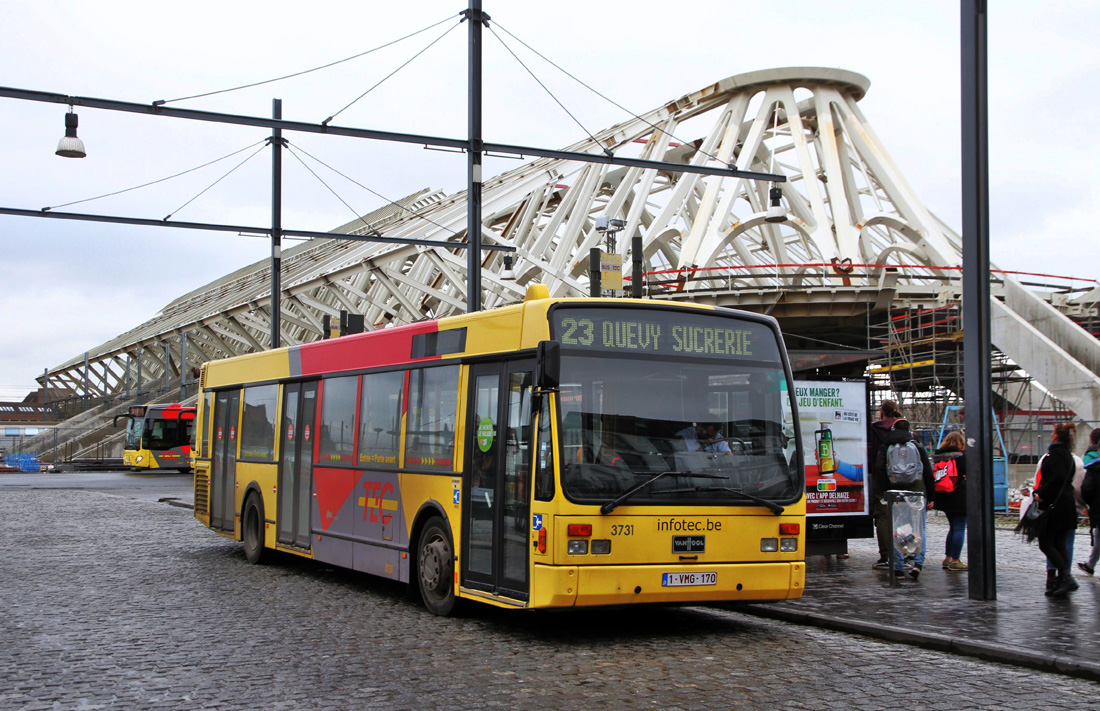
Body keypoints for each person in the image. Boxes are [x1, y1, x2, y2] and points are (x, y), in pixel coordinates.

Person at [873, 418, 933, 580]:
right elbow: (927, 470)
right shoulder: (916, 444)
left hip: (895, 490)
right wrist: (932, 495)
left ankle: (898, 567)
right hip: (917, 489)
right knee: (920, 527)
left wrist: (887, 487)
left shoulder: (886, 445)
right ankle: (918, 564)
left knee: (897, 527)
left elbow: (878, 468)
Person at [1034, 422, 1080, 597]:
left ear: (1055, 436)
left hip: (1055, 506)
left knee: (1045, 543)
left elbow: (1057, 478)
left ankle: (1066, 577)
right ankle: (1062, 580)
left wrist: (1041, 493)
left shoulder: (1054, 455)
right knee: (1060, 543)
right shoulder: (1068, 455)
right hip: (1067, 503)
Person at [869, 400, 903, 570]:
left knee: (882, 516)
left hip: (880, 476)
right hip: (903, 477)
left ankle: (886, 555)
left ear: (882, 411)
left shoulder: (875, 429)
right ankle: (905, 554)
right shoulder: (903, 427)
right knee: (903, 514)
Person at [930, 431, 968, 571]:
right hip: (959, 495)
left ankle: (947, 558)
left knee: (952, 527)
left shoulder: (939, 457)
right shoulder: (961, 457)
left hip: (943, 495)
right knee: (959, 527)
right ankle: (955, 560)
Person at [1077, 428, 1100, 576]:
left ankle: (1090, 565)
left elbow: (1086, 488)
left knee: (1098, 535)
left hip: (1098, 507)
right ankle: (1090, 564)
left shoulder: (1093, 465)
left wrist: (1090, 503)